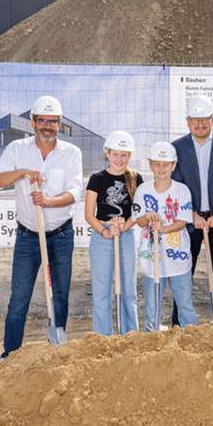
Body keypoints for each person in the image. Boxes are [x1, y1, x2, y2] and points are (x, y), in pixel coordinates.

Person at [0, 95, 83, 359]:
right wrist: (22, 172)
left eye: (53, 121)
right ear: (33, 122)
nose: (48, 126)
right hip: (28, 236)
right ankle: (9, 353)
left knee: (60, 294)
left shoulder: (72, 154)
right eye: (43, 120)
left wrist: (49, 201)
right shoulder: (17, 149)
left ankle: (58, 349)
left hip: (61, 235)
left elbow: (75, 191)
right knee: (19, 297)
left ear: (60, 124)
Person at [172, 95, 213, 327]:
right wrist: (190, 215)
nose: (200, 125)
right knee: (183, 275)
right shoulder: (177, 148)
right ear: (187, 121)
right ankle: (179, 325)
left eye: (204, 119)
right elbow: (177, 186)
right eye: (195, 120)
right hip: (188, 221)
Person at [133, 141, 197, 331]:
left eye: (166, 164)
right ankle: (151, 342)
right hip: (153, 257)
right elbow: (139, 220)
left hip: (178, 256)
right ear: (151, 165)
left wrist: (163, 229)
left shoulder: (181, 190)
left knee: (184, 303)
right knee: (152, 306)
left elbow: (183, 221)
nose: (161, 168)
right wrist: (147, 217)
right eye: (157, 163)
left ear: (173, 165)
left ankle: (191, 338)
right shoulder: (143, 190)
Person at [84, 130, 143, 336]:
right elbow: (89, 214)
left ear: (130, 156)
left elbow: (138, 210)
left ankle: (130, 335)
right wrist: (104, 231)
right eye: (115, 154)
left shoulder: (136, 179)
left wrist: (124, 227)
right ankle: (103, 337)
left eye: (124, 154)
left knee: (128, 289)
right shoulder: (97, 179)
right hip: (103, 236)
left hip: (126, 235)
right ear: (107, 153)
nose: (119, 159)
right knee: (101, 290)